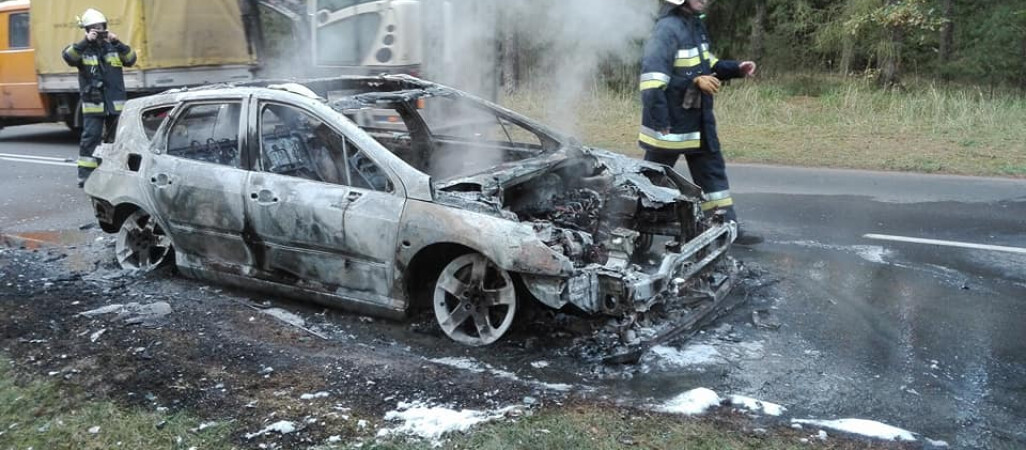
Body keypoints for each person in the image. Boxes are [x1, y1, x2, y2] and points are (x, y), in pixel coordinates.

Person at [639, 0, 762, 245]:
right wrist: (691, 84)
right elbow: (652, 82)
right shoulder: (667, 29)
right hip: (670, 126)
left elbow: (708, 64)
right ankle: (632, 230)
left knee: (713, 180)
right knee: (651, 183)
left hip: (698, 123)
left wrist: (737, 69)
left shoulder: (695, 26)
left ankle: (725, 228)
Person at [62, 8, 136, 188]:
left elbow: (131, 59)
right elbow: (69, 57)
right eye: (94, 28)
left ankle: (116, 173)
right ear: (87, 30)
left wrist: (117, 42)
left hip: (115, 105)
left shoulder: (114, 48)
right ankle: (86, 177)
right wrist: (86, 41)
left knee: (118, 141)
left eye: (101, 27)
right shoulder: (82, 50)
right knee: (91, 139)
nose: (99, 31)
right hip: (94, 105)